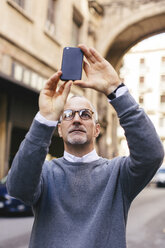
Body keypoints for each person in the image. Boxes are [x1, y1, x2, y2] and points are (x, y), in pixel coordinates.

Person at [7, 44, 164, 248]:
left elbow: (151, 154)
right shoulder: (44, 173)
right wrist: (45, 118)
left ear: (96, 129)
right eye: (68, 115)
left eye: (85, 114)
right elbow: (18, 188)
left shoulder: (118, 175)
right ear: (60, 129)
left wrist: (116, 89)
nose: (77, 120)